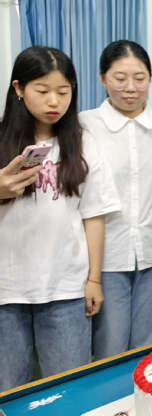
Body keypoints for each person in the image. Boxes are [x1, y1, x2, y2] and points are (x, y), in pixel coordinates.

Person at [0, 46, 120, 391]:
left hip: (65, 289)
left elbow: (93, 215)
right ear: (19, 88)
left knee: (69, 390)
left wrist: (93, 279)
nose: (54, 101)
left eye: (63, 92)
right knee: (9, 392)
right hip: (6, 292)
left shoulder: (82, 143)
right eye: (42, 91)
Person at [79, 40, 152, 359]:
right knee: (110, 347)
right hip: (106, 256)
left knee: (151, 346)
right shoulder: (85, 124)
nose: (130, 88)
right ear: (102, 78)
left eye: (140, 78)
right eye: (120, 78)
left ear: (150, 78)